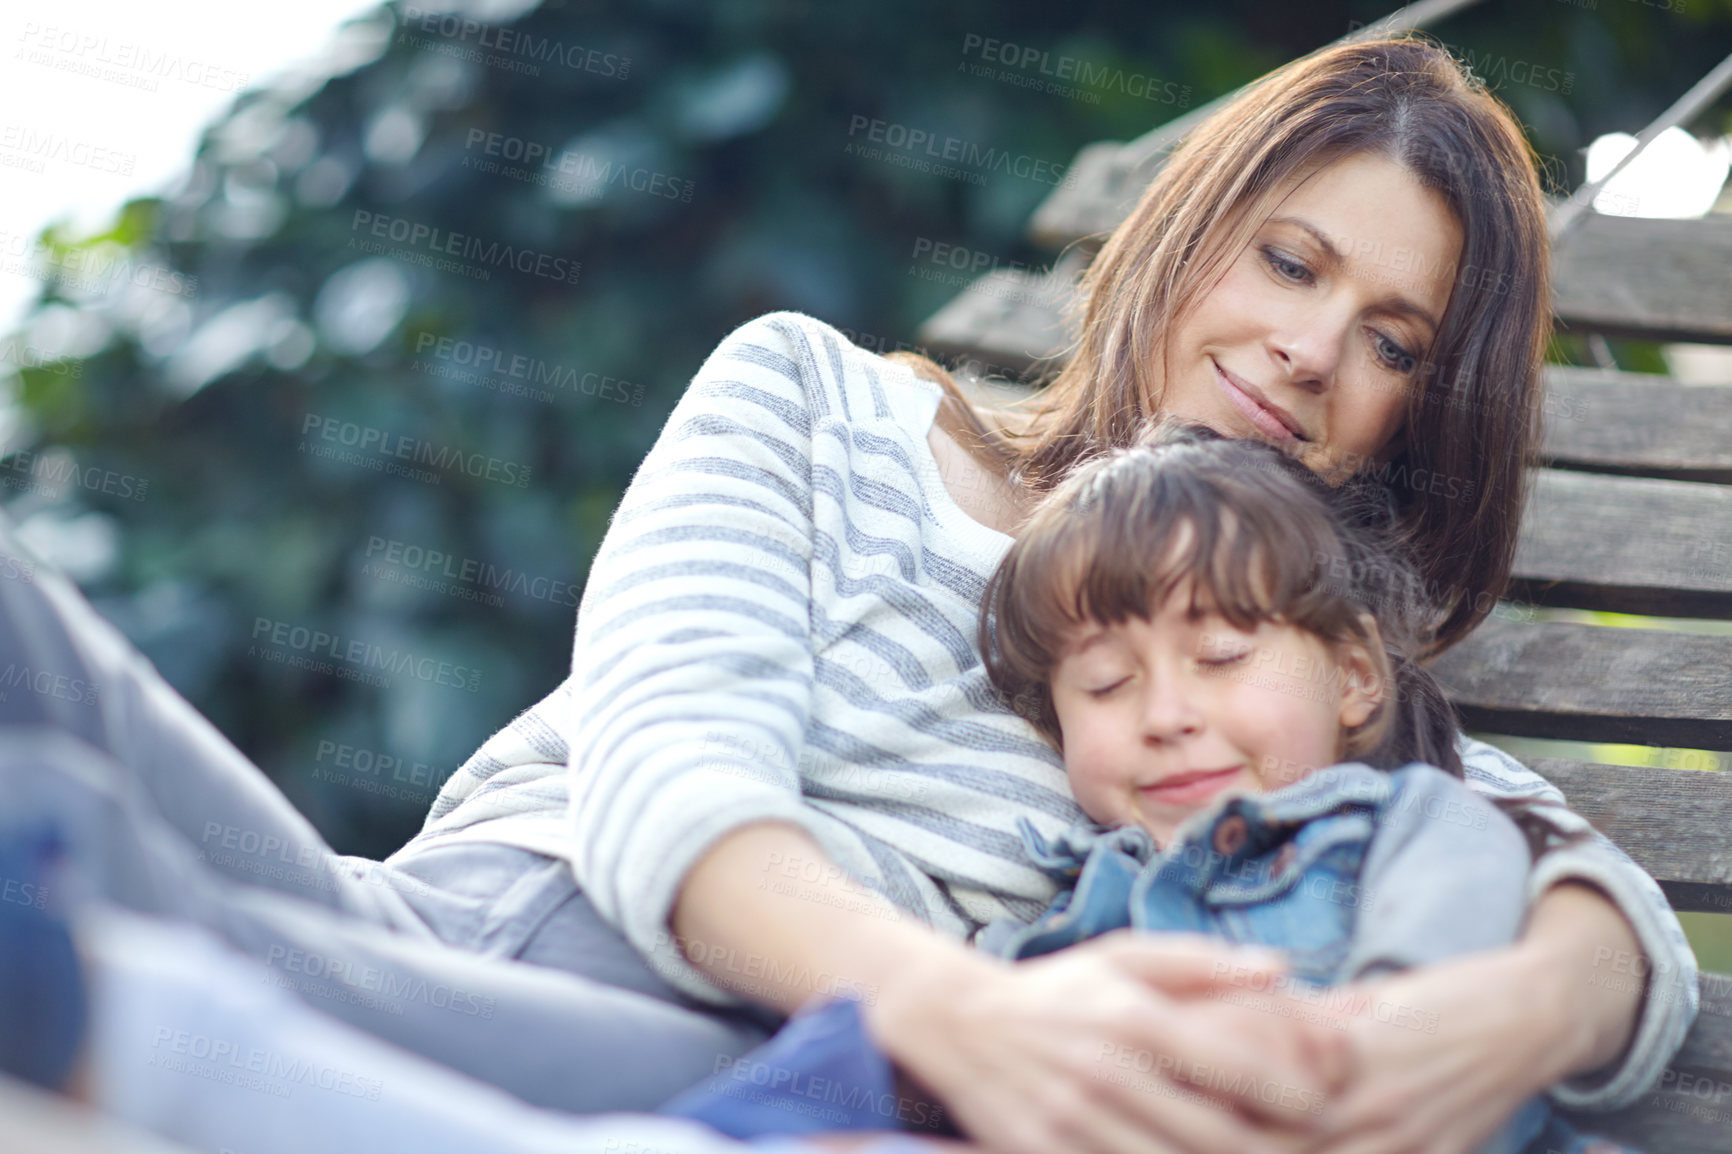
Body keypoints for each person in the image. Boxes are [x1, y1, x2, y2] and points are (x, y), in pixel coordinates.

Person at [0, 34, 1697, 1154]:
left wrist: (1527, 999)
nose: (1309, 347)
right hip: (485, 915)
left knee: (83, 877)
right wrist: (969, 1007)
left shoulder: (1295, 688)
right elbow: (671, 755)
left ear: (1420, 406)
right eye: (1288, 260)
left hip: (748, 1059)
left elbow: (1580, 896)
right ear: (1189, 242)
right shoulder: (821, 399)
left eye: (1390, 340)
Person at [659, 427, 1635, 1154]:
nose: (1164, 713)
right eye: (1107, 683)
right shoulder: (1067, 909)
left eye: (1218, 653)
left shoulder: (1406, 822)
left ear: (1353, 676)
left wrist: (1371, 1038)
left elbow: (1429, 1001)